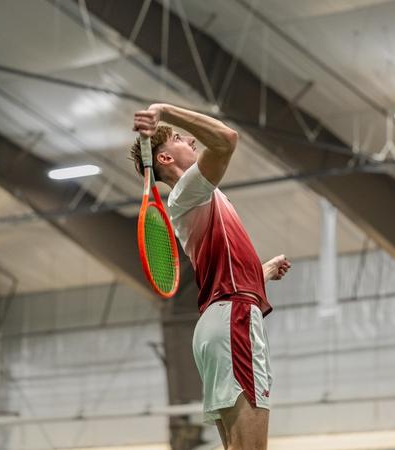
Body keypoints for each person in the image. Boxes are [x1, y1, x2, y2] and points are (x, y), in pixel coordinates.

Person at [131, 103, 290, 450]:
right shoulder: (187, 190)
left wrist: (259, 274)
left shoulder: (198, 195)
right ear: (165, 160)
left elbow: (222, 272)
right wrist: (163, 111)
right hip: (232, 319)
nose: (189, 139)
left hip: (220, 320)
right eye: (176, 138)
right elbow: (226, 139)